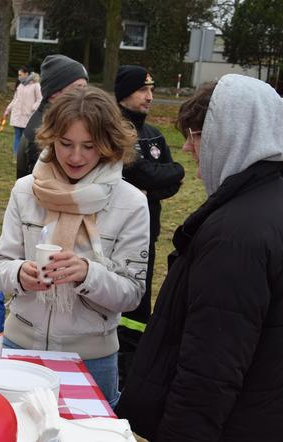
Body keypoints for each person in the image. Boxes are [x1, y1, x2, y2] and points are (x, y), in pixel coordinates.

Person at [116, 75, 283, 441]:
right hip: (280, 416)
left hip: (242, 425)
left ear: (228, 134)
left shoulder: (236, 234)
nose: (188, 149)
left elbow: (209, 372)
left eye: (194, 134)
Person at [0, 86, 150, 408]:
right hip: (19, 347)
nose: (75, 157)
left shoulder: (131, 203)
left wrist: (88, 274)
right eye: (65, 144)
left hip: (91, 358)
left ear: (108, 146)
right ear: (50, 138)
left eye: (88, 146)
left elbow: (133, 293)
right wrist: (20, 274)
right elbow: (1, 265)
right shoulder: (25, 191)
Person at [113, 65, 185, 386]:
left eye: (152, 89)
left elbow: (170, 180)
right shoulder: (112, 129)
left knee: (139, 306)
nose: (150, 96)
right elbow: (140, 173)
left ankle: (130, 368)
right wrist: (150, 180)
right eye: (144, 90)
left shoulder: (154, 134)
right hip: (113, 235)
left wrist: (162, 178)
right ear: (125, 92)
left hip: (148, 235)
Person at [15, 54, 88, 179]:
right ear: (54, 93)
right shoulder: (42, 131)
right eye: (78, 88)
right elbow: (42, 186)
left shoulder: (59, 121)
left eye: (85, 87)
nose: (84, 94)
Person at [2, 66, 42, 160]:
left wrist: (33, 108)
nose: (19, 77)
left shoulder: (36, 85)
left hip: (28, 116)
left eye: (20, 74)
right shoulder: (20, 85)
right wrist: (8, 110)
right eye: (18, 75)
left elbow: (40, 99)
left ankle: (25, 156)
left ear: (26, 74)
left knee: (26, 138)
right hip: (17, 116)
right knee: (17, 136)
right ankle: (15, 156)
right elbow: (15, 99)